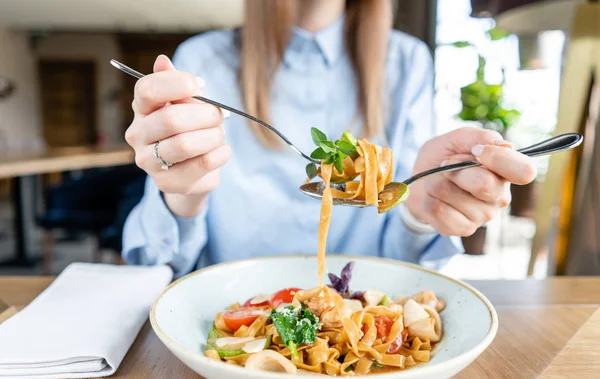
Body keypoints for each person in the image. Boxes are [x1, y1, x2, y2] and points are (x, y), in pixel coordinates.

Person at [122, 0, 536, 277]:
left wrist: (422, 211)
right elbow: (157, 265)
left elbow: (399, 259)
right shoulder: (201, 61)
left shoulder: (407, 63)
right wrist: (182, 196)